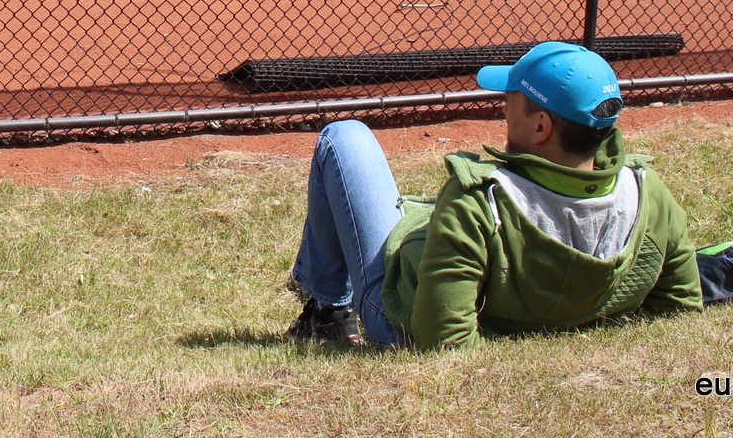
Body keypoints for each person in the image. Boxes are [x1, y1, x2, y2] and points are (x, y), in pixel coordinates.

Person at [284, 41, 701, 348]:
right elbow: (679, 306)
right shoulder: (647, 190)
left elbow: (442, 339)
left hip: (396, 318)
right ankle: (325, 309)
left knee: (345, 137)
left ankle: (328, 310)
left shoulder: (480, 200)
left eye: (511, 100)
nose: (503, 108)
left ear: (541, 127)